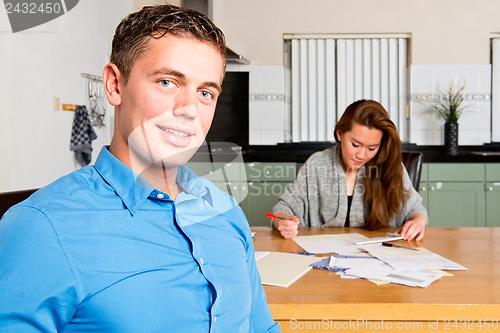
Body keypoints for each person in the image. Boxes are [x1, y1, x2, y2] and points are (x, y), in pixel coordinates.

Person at [0, 5, 280, 332]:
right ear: (115, 86)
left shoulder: (225, 211)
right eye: (167, 82)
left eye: (205, 92)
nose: (189, 110)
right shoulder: (41, 227)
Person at [272, 99, 428, 241]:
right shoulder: (317, 164)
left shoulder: (390, 166)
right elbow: (283, 208)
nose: (361, 155)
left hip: (378, 261)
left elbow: (416, 210)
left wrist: (418, 222)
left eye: (372, 148)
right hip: (322, 256)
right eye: (355, 145)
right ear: (340, 134)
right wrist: (283, 221)